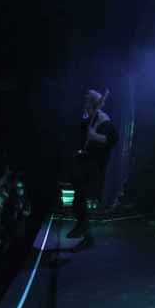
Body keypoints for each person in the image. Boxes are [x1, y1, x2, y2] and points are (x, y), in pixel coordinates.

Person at [69, 90, 117, 240]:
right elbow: (83, 137)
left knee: (80, 193)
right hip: (86, 160)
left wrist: (95, 136)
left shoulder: (103, 119)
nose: (85, 105)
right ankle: (83, 227)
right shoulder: (88, 117)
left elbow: (113, 139)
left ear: (94, 104)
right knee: (78, 196)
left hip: (96, 163)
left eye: (88, 102)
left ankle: (83, 227)